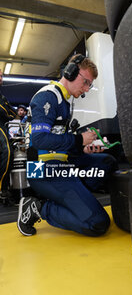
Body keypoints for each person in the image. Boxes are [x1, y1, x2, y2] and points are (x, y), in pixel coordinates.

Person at [17, 54, 117, 237]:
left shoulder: (66, 101)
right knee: (98, 223)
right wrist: (78, 140)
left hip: (62, 164)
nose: (86, 89)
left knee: (107, 162)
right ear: (70, 73)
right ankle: (40, 208)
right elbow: (39, 140)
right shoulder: (47, 97)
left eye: (90, 85)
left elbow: (58, 141)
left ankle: (71, 197)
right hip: (42, 169)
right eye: (85, 82)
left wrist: (83, 147)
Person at [0, 69, 17, 202]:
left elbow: (12, 112)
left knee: (8, 152)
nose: (0, 78)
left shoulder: (2, 97)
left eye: (1, 76)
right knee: (8, 151)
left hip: (3, 127)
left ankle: (3, 188)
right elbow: (7, 112)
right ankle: (2, 188)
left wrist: (5, 113)